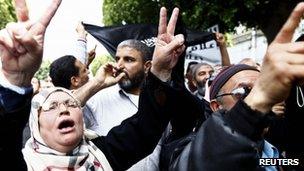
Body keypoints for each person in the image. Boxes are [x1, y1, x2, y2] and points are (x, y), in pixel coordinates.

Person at [0, 1, 185, 170]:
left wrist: (159, 70)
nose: (64, 109)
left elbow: (146, 125)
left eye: (72, 104)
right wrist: (17, 79)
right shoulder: (24, 164)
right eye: (52, 107)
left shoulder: (102, 156)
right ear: (36, 124)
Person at [86, 39, 152, 136]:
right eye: (117, 59)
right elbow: (64, 110)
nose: (119, 66)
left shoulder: (158, 102)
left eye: (129, 60)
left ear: (146, 67)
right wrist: (96, 84)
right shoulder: (98, 98)